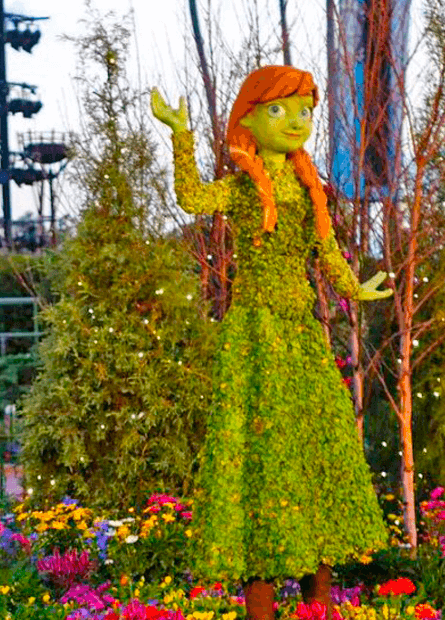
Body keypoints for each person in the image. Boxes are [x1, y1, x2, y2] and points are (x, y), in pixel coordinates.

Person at [152, 66, 390, 620]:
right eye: (281, 110)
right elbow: (190, 197)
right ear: (251, 119)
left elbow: (326, 254)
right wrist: (181, 136)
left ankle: (317, 605)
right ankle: (260, 600)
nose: (298, 122)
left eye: (305, 111)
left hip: (302, 335)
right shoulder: (241, 187)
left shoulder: (312, 189)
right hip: (256, 336)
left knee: (314, 451)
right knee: (259, 456)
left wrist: (356, 286)